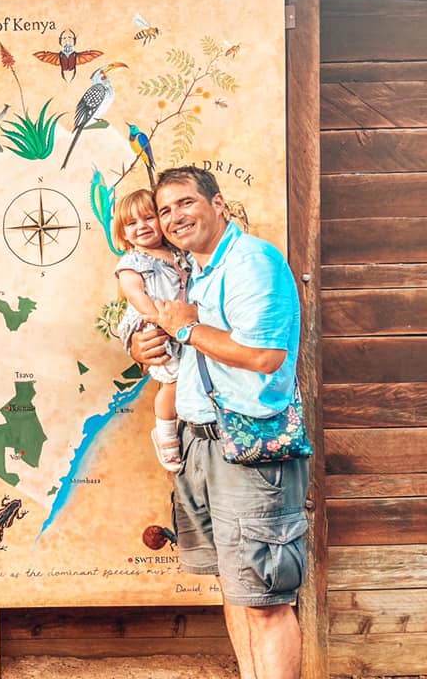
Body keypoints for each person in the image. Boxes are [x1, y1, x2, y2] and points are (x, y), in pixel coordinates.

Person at [129, 166, 308, 679]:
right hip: (202, 443)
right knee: (237, 589)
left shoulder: (251, 261)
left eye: (186, 203)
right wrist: (150, 345)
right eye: (165, 210)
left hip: (249, 447)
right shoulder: (195, 271)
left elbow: (265, 355)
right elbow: (190, 346)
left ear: (218, 204)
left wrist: (185, 327)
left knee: (265, 600)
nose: (174, 217)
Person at [111, 188, 188, 472]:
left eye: (148, 217)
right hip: (158, 327)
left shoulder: (179, 254)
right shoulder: (133, 263)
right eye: (132, 223)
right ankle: (165, 433)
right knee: (173, 383)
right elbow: (136, 295)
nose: (141, 226)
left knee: (187, 380)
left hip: (182, 326)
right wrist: (159, 319)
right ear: (123, 233)